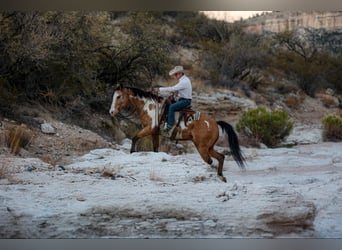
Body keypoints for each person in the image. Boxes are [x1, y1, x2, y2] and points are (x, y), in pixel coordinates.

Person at [153, 65, 192, 137]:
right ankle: (164, 123)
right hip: (183, 99)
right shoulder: (184, 80)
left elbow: (173, 88)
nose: (175, 76)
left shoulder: (184, 82)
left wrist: (160, 89)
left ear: (180, 73)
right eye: (175, 74)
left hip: (185, 101)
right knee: (168, 103)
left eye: (176, 74)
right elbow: (176, 90)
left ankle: (169, 126)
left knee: (171, 107)